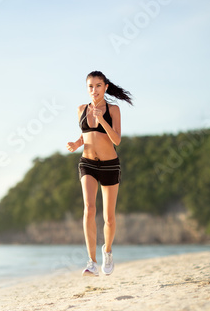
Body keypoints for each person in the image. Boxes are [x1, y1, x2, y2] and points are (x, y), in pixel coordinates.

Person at [66, 71, 133, 277]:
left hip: (110, 165)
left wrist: (101, 120)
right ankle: (92, 262)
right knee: (88, 208)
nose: (93, 90)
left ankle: (107, 251)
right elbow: (86, 133)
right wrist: (76, 143)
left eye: (97, 86)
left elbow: (116, 139)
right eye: (90, 86)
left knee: (109, 218)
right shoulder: (81, 109)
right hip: (87, 163)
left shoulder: (113, 109)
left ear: (105, 87)